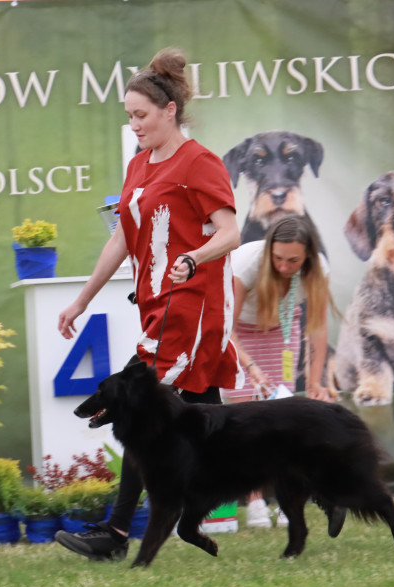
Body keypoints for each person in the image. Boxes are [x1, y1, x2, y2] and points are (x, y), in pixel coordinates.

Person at [55, 48, 242, 561]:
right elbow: (123, 240)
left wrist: (192, 257)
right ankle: (305, 476)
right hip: (158, 309)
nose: (134, 124)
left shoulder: (199, 163)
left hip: (191, 308)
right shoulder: (139, 166)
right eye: (129, 116)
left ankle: (115, 534)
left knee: (141, 411)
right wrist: (81, 299)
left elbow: (230, 233)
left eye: (140, 115)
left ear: (169, 111)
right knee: (211, 423)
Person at [224, 214, 335, 528]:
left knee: (283, 418)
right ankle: (255, 499)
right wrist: (251, 368)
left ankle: (288, 500)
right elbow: (226, 328)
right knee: (244, 416)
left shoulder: (318, 269)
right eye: (278, 259)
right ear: (269, 249)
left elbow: (317, 327)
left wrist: (315, 381)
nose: (285, 267)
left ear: (308, 256)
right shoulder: (246, 262)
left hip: (281, 330)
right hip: (238, 333)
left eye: (294, 261)